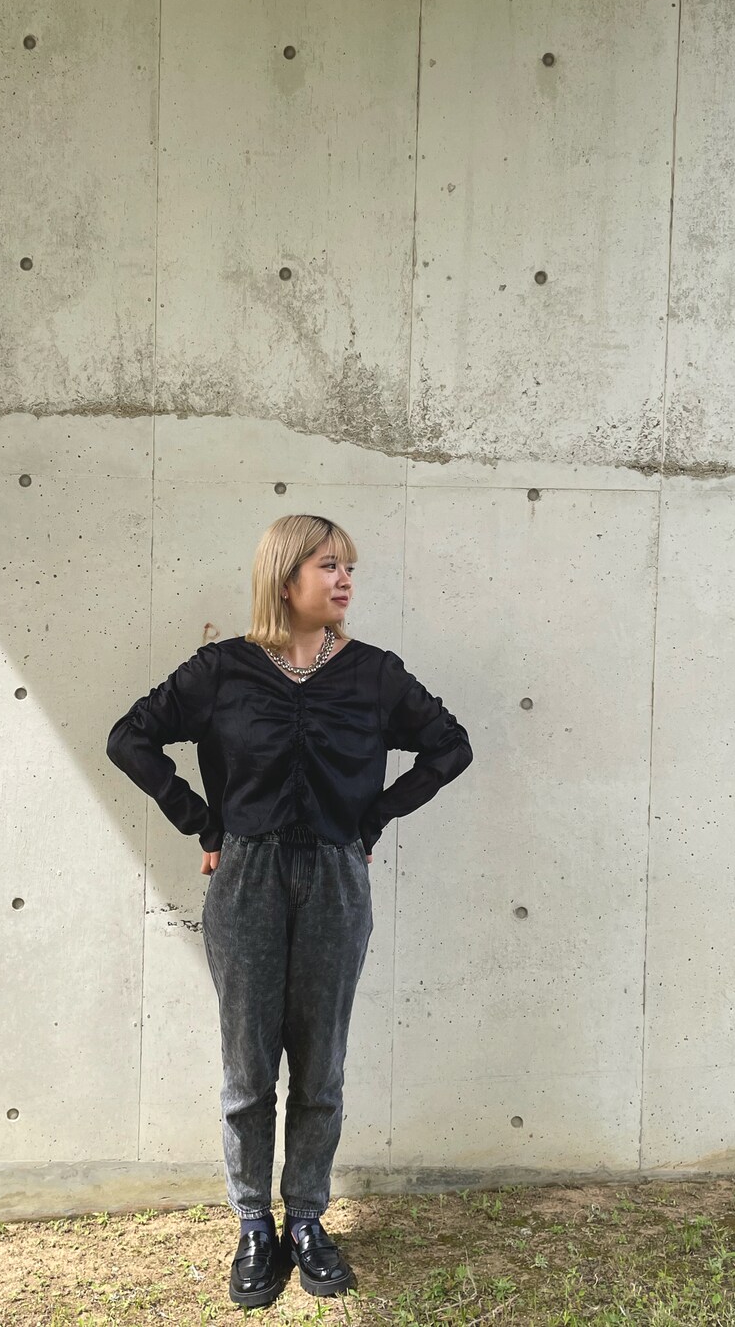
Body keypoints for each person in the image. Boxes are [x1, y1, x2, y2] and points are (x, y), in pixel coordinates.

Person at [106, 513, 473, 1308]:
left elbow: (450, 746)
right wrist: (203, 823)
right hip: (247, 878)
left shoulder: (374, 674)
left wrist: (373, 817)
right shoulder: (222, 671)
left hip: (337, 879)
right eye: (329, 565)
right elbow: (130, 738)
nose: (345, 580)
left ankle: (306, 1218)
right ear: (285, 576)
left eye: (349, 568)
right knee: (248, 1071)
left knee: (320, 1066)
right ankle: (252, 1224)